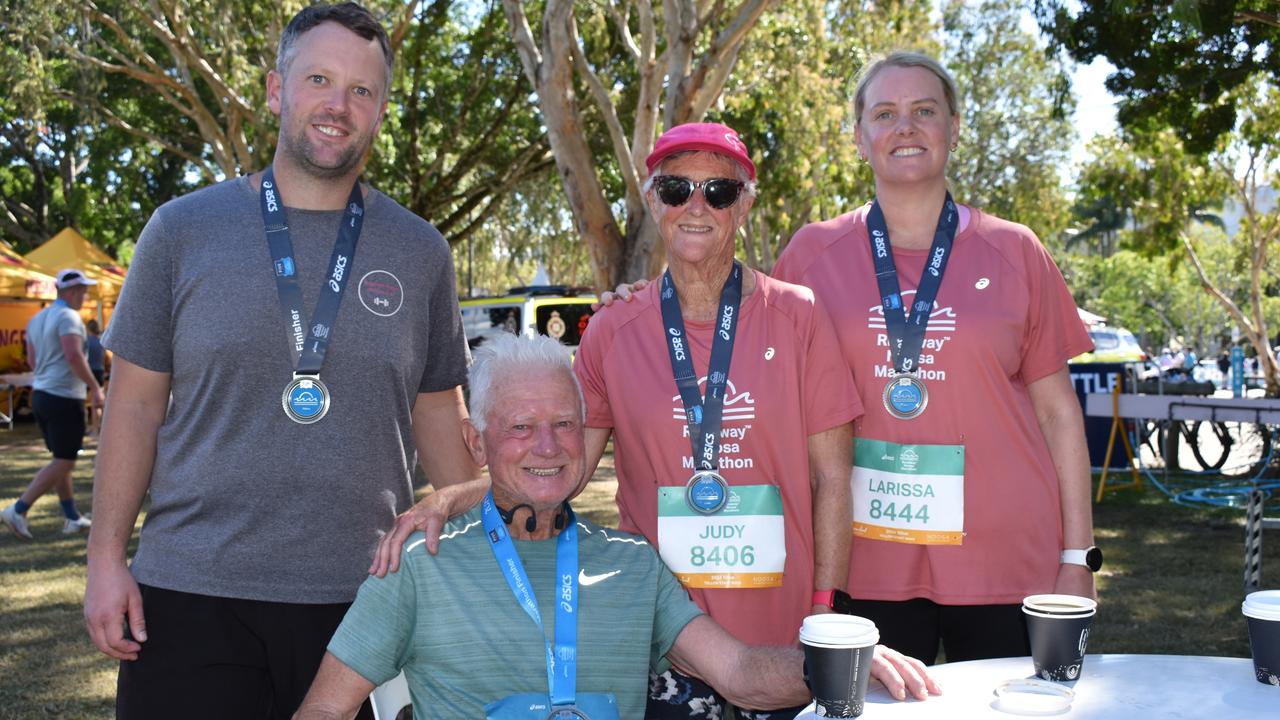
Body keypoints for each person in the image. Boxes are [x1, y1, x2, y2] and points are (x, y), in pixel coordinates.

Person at [374, 123, 938, 718]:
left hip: (785, 638)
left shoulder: (798, 316)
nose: (696, 206)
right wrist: (450, 500)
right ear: (653, 201)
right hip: (661, 645)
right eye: (676, 189)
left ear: (744, 205)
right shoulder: (614, 329)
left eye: (718, 192)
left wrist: (827, 612)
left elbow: (832, 479)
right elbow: (554, 472)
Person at [82, 4, 476, 718]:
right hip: (190, 591)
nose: (338, 105)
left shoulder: (420, 253)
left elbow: (437, 412)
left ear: (381, 111)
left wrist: (482, 566)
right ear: (275, 89)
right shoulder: (181, 231)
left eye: (362, 90)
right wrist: (106, 560)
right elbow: (134, 406)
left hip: (363, 599)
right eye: (319, 79)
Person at [294, 333, 935, 719]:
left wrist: (837, 665)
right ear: (477, 442)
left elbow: (739, 673)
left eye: (564, 424)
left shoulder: (633, 563)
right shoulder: (419, 565)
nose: (547, 446)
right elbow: (327, 708)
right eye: (519, 427)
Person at [770, 51, 1098, 664]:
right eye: (885, 113)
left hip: (1006, 561)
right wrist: (639, 303)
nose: (906, 127)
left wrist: (1077, 558)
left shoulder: (1015, 250)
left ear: (952, 127)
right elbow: (746, 362)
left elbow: (1058, 414)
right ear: (860, 136)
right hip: (861, 561)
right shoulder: (811, 255)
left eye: (924, 111)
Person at [1, 269, 102, 540]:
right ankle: (19, 509)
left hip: (42, 394)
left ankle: (71, 517)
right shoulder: (69, 316)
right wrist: (95, 388)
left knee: (61, 459)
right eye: (82, 290)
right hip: (64, 397)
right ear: (70, 291)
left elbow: (33, 361)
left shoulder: (37, 319)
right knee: (64, 460)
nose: (85, 295)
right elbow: (73, 355)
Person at [85, 318, 107, 436]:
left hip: (88, 372)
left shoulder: (86, 341)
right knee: (98, 402)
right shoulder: (101, 341)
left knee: (86, 402)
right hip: (99, 371)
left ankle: (93, 428)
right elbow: (104, 359)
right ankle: (99, 427)